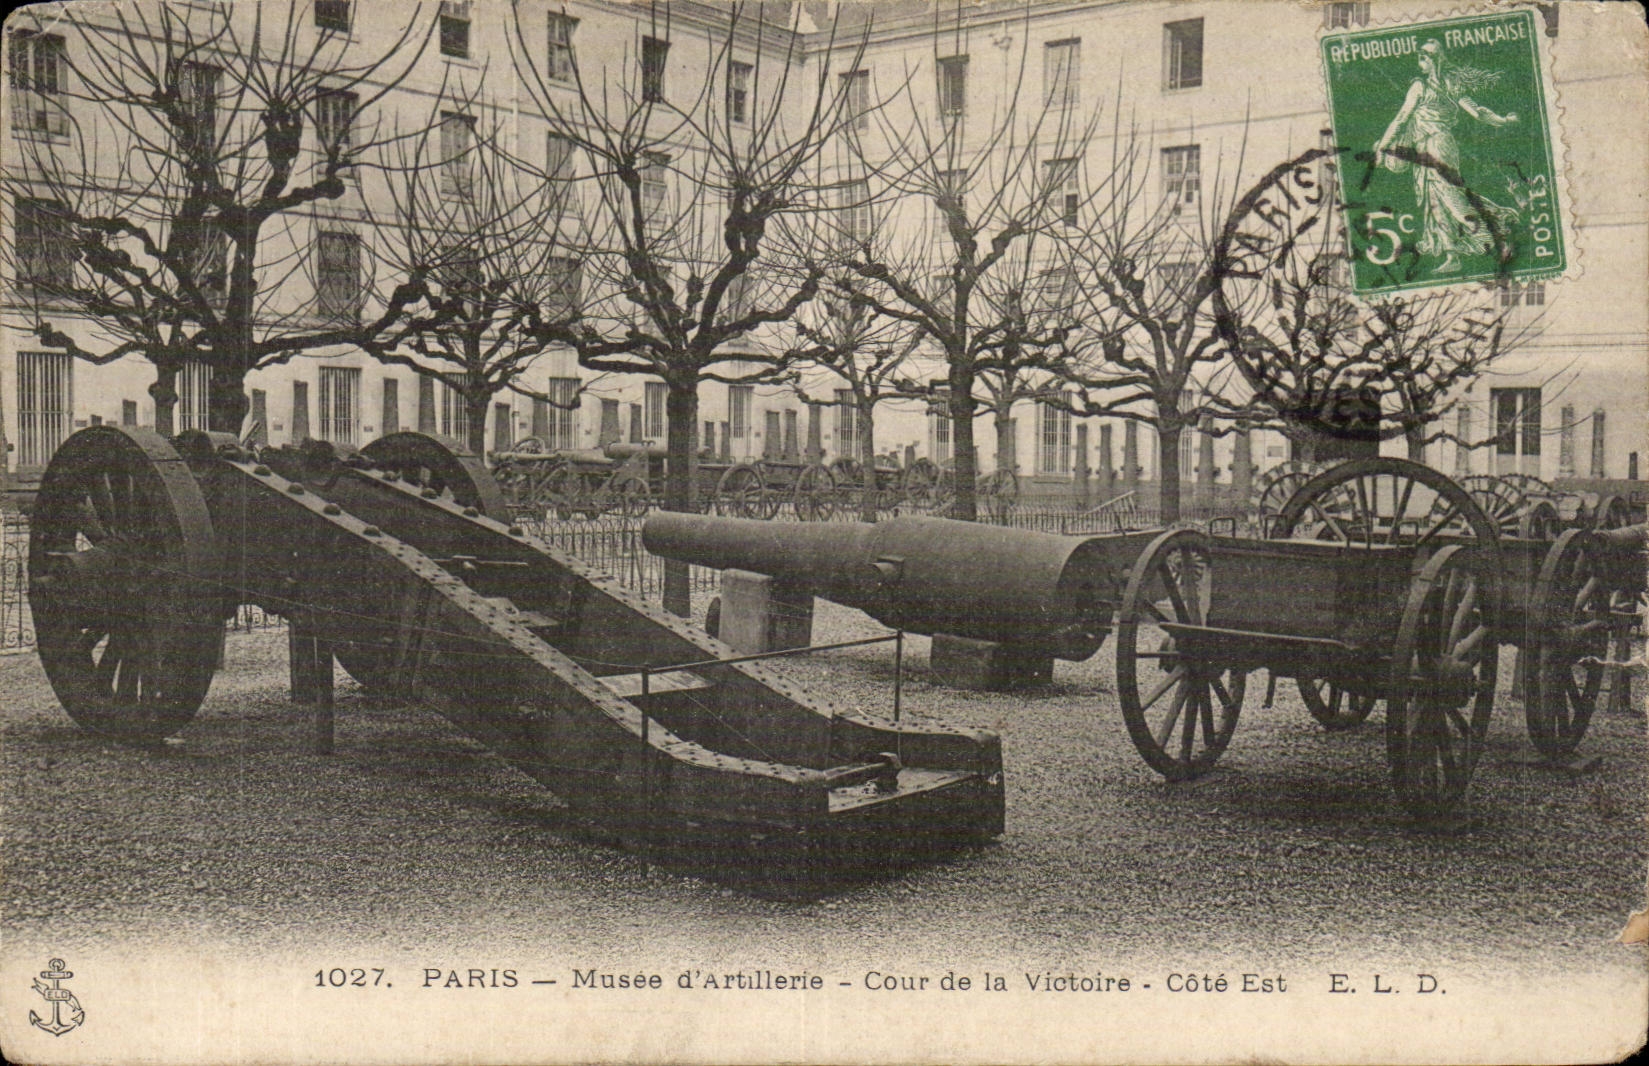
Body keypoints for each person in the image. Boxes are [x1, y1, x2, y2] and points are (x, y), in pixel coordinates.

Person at [1372, 39, 1521, 274]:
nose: (1420, 62)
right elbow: (1478, 112)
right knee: (1435, 201)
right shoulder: (1452, 85)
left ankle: (1495, 238)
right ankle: (1452, 256)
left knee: (1451, 198)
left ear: (1432, 60)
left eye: (1423, 57)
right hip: (1431, 146)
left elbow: (1401, 119)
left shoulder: (1419, 87)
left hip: (1436, 146)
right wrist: (1502, 120)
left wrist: (1382, 146)